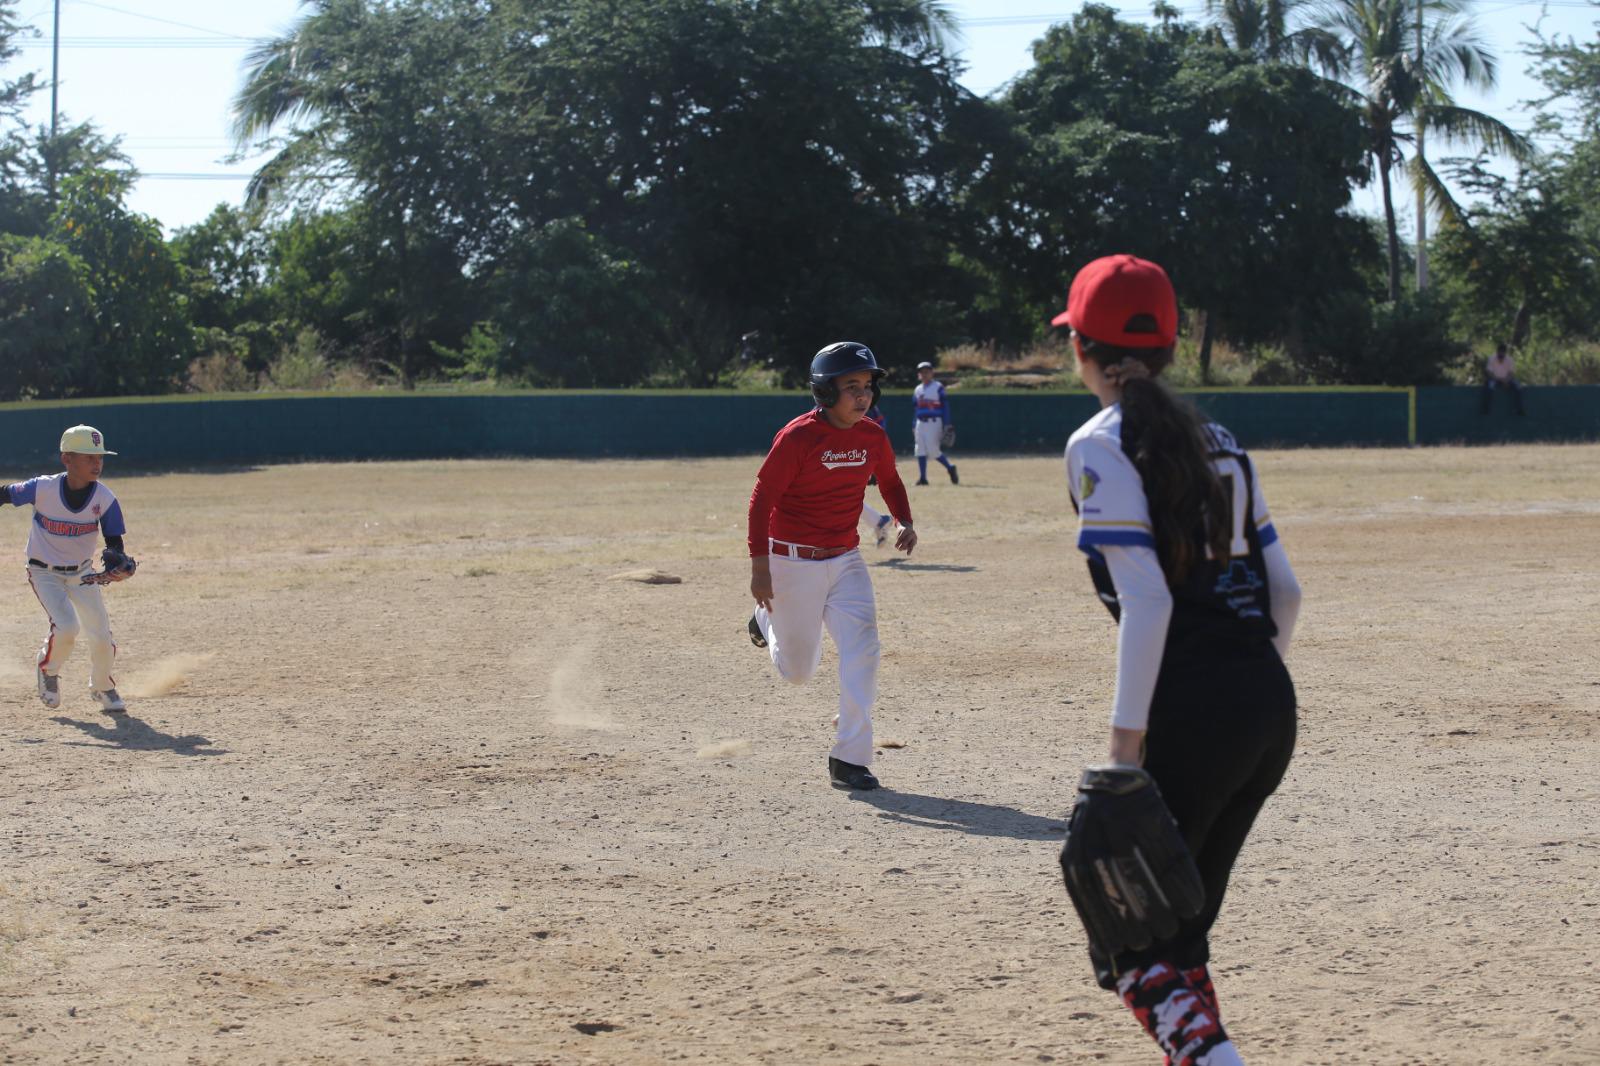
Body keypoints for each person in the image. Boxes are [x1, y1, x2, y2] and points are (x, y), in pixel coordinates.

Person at [1054, 256, 1302, 1065]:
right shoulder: (1217, 437)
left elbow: (1150, 602)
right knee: (1181, 935)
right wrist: (1244, 680)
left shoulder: (1099, 443)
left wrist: (1126, 750)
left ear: (1083, 351)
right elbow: (1286, 593)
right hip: (1268, 703)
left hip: (1190, 708)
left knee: (1132, 947)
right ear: (1166, 349)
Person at [746, 342, 917, 791]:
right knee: (798, 672)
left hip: (845, 559)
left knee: (864, 650)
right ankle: (766, 618)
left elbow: (892, 481)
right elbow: (761, 499)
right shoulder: (798, 437)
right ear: (824, 392)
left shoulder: (872, 436)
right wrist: (760, 570)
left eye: (867, 387)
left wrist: (904, 519)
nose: (862, 396)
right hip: (791, 561)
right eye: (850, 387)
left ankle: (849, 757)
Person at [2, 425, 135, 714]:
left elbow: (115, 543)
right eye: (89, 457)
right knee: (66, 627)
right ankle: (47, 670)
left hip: (83, 574)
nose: (97, 463)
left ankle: (102, 686)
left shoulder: (105, 499)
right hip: (43, 571)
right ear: (67, 459)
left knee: (101, 635)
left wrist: (117, 561)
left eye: (100, 457)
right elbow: (5, 494)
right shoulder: (43, 488)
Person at [912, 360, 957, 485]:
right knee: (919, 449)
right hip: (920, 422)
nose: (924, 374)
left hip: (934, 422)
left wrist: (947, 423)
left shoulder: (938, 387)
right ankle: (923, 478)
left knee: (933, 451)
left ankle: (950, 467)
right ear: (919, 374)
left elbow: (945, 406)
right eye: (922, 372)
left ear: (932, 373)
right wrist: (914, 424)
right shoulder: (918, 389)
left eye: (927, 371)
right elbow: (916, 409)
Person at [859, 402, 895, 546]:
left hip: (856, 455)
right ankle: (879, 521)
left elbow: (880, 427)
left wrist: (874, 463)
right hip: (841, 455)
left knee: (840, 496)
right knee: (840, 497)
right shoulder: (827, 404)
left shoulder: (866, 404)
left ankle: (879, 521)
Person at [1480, 342, 1525, 415]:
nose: (1501, 356)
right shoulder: (1491, 358)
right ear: (1497, 352)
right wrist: (1501, 380)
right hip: (1495, 379)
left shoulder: (1510, 360)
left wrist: (1507, 380)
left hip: (1507, 379)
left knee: (1518, 386)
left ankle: (1519, 408)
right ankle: (1485, 408)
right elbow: (1489, 373)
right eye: (1499, 354)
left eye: (1502, 354)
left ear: (1505, 353)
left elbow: (1512, 373)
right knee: (1489, 387)